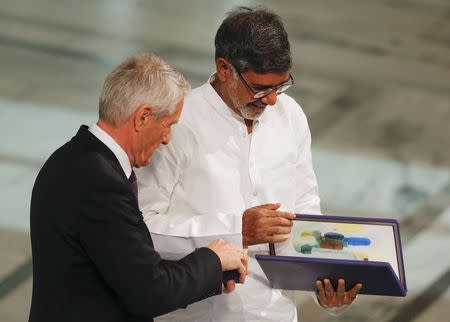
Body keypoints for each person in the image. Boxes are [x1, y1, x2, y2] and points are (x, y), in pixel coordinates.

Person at [136, 7, 361, 322]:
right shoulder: (178, 123)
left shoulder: (291, 116)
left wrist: (325, 288)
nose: (271, 100)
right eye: (259, 88)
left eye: (280, 87)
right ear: (224, 68)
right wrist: (235, 230)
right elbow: (143, 229)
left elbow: (306, 216)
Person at [29, 53, 248, 322]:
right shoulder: (101, 183)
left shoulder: (69, 158)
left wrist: (212, 275)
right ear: (143, 117)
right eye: (168, 125)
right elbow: (148, 292)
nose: (167, 139)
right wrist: (213, 259)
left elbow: (122, 264)